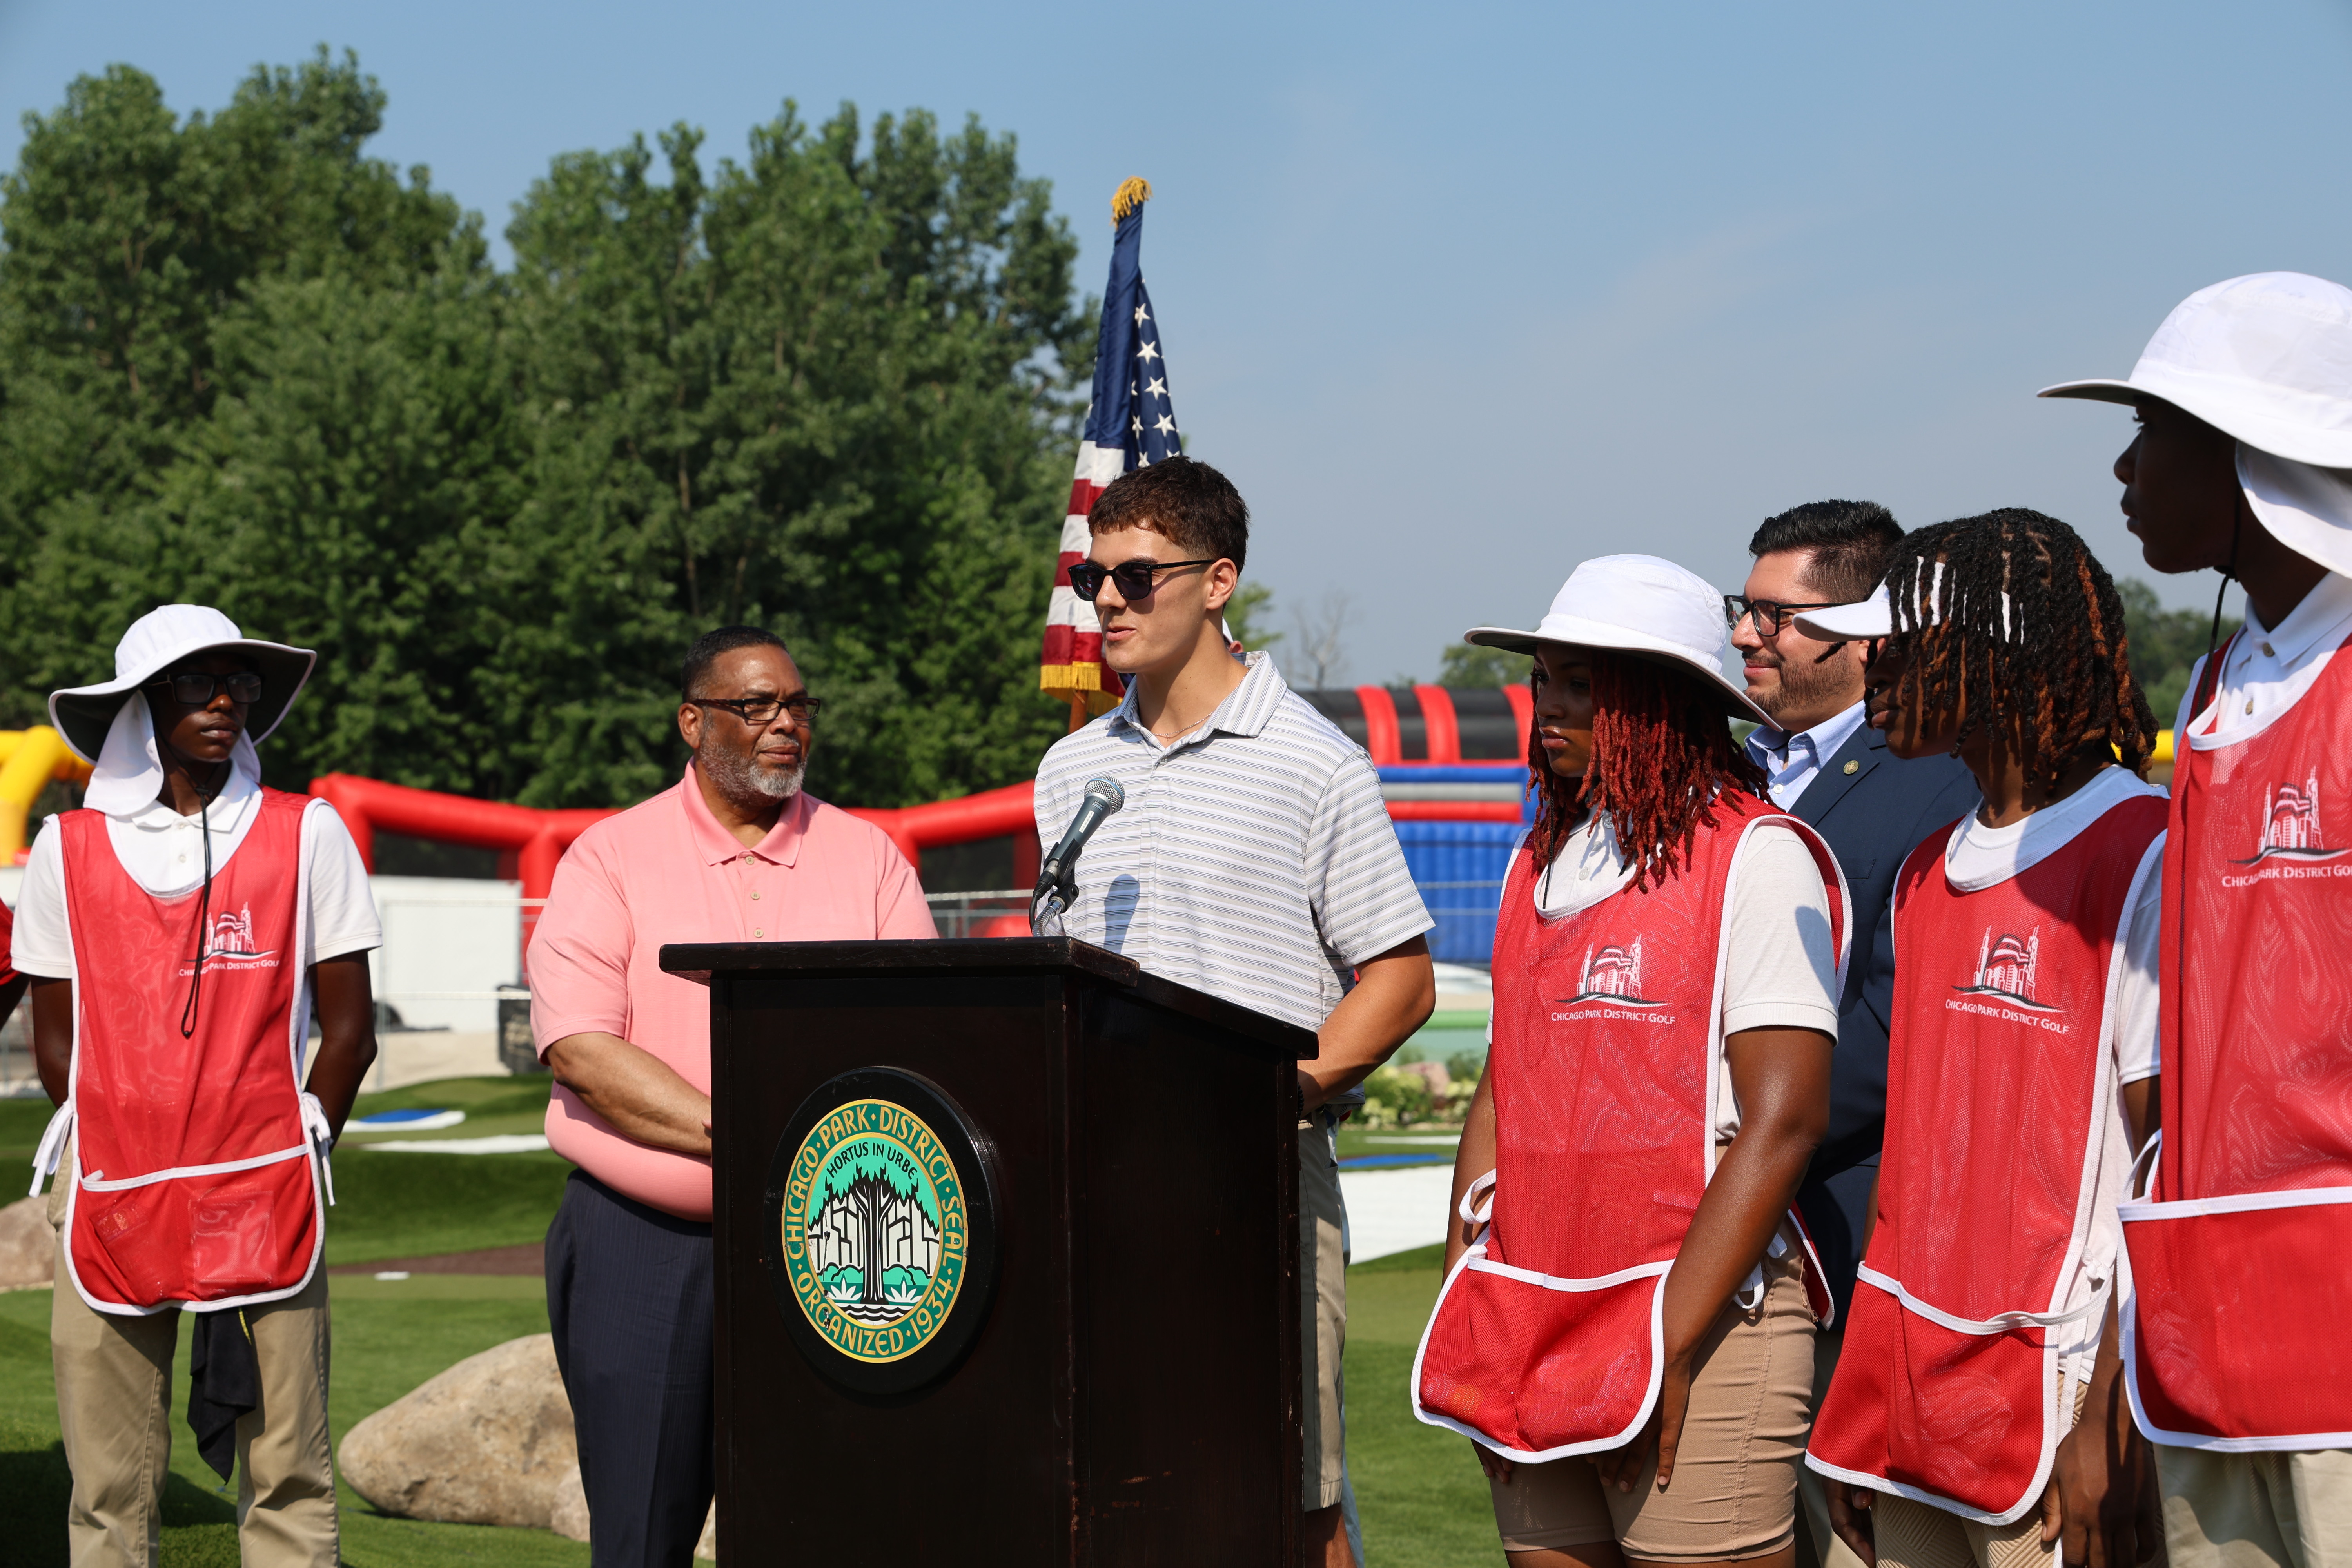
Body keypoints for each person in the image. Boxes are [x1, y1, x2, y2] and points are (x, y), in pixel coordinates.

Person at [1033, 455, 1435, 1568]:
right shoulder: (1068, 773)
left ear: (1219, 582)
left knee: (1290, 1501)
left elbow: (1399, 979)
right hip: (1097, 1185)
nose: (1105, 599)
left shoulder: (1314, 764)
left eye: (1136, 576)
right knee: (1111, 1483)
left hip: (1259, 1181)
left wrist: (1276, 1099)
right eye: (1091, 574)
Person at [1416, 553, 1848, 1568]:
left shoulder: (1757, 852)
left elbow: (1784, 1121)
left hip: (1706, 1316)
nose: (1550, 708)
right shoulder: (1539, 859)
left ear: (1660, 702)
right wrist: (1468, 1303)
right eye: (1545, 681)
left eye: (1583, 685)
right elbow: (1500, 1095)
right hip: (1538, 1315)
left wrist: (1665, 1344)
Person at [2036, 272, 2352, 1568]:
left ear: (2246, 456)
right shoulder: (2223, 681)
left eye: (2152, 430)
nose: (2122, 468)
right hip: (2214, 1299)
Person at [1798, 512, 2167, 1568]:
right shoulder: (1926, 872)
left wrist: (2109, 1416)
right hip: (1907, 1398)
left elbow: (2162, 1163)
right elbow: (1910, 1178)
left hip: (2054, 1400)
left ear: (1989, 660)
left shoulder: (2138, 847)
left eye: (1901, 643)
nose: (1876, 664)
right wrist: (1860, 1411)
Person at [530, 625, 937, 1567]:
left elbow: (925, 1039)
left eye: (798, 705)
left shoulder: (870, 858)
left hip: (839, 1249)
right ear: (692, 721)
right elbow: (583, 1050)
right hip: (646, 1243)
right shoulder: (609, 857)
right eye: (756, 707)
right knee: (641, 1537)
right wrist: (761, 1134)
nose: (785, 723)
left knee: (831, 1527)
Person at [12, 604, 382, 1568]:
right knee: (106, 1486)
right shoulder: (66, 847)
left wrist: (311, 1131)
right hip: (111, 1189)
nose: (228, 702)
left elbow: (350, 1029)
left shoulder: (309, 833)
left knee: (291, 1474)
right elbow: (59, 1042)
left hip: (267, 1178)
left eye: (243, 684)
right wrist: (106, 1132)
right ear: (145, 701)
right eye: (198, 682)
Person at [1731, 502, 1978, 1568]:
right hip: (1717, 1222)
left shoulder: (1939, 776)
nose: (1747, 634)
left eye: (1777, 616)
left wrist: (1725, 1132)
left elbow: (1892, 1021)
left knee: (1842, 1536)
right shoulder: (1724, 768)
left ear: (1868, 633)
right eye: (1742, 610)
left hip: (1845, 1229)